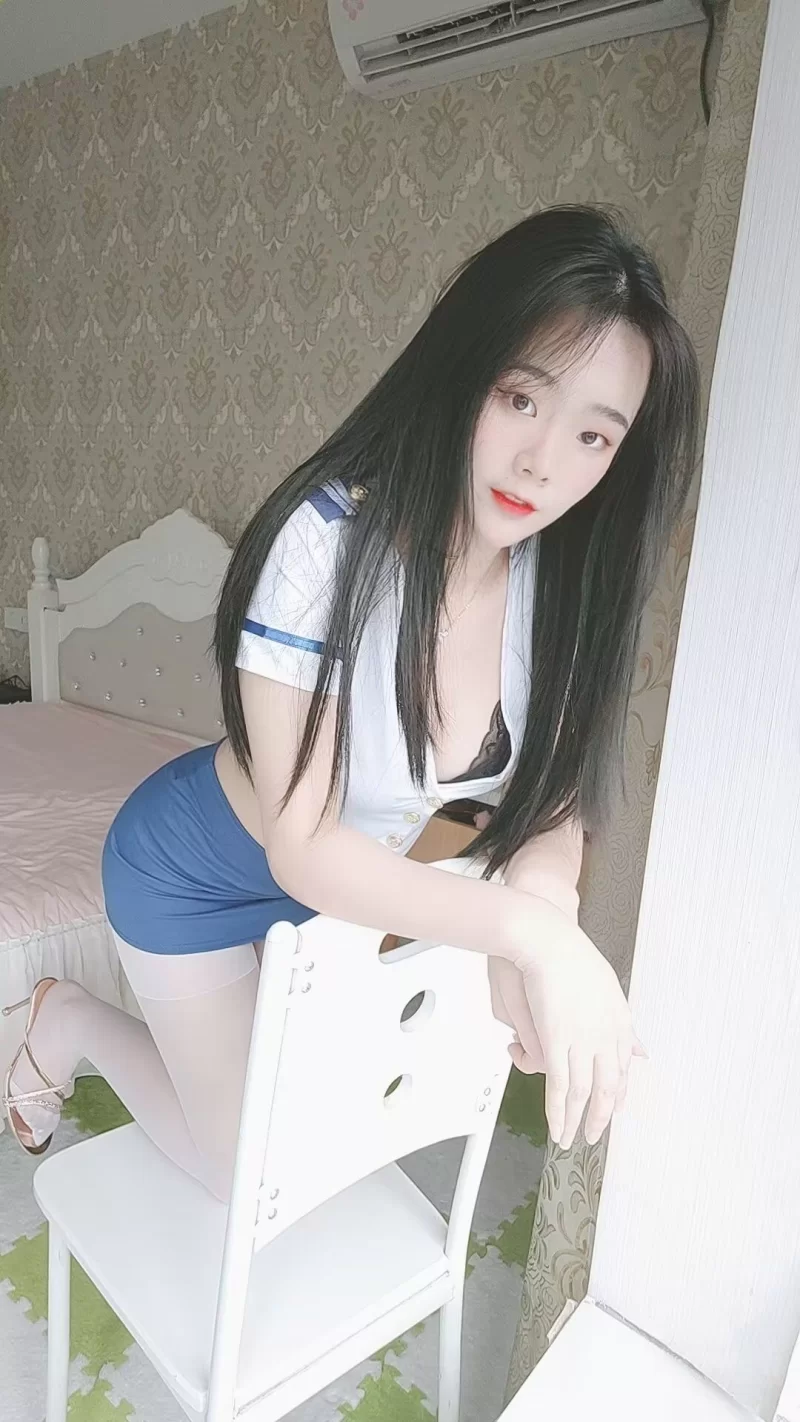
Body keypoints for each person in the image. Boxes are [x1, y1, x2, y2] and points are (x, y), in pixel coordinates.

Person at [2, 203, 699, 1203]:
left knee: (316, 1135)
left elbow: (552, 799)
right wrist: (525, 935)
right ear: (462, 366)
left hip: (352, 893)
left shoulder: (557, 583)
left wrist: (543, 901)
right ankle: (65, 1020)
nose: (544, 463)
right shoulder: (325, 544)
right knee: (242, 1177)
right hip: (196, 875)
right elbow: (306, 848)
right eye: (520, 399)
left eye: (594, 436)